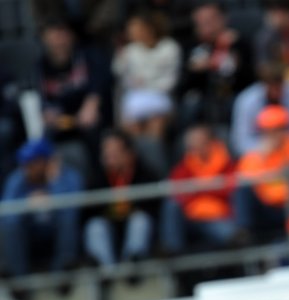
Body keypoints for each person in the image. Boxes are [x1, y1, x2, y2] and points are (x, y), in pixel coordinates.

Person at [234, 106, 289, 239]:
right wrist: (261, 158)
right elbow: (247, 182)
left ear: (286, 129)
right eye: (266, 131)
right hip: (268, 209)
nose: (272, 135)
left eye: (277, 130)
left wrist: (281, 186)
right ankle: (244, 234)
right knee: (242, 189)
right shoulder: (255, 157)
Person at [38, 19, 111, 175]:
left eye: (63, 33)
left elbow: (101, 81)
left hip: (86, 118)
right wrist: (46, 112)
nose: (60, 39)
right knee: (38, 139)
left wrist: (92, 103)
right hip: (58, 122)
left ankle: (97, 184)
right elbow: (36, 97)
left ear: (71, 36)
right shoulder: (40, 66)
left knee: (94, 129)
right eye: (55, 34)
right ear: (45, 38)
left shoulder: (88, 56)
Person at [1, 139, 82, 278]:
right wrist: (26, 205)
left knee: (67, 221)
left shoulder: (69, 177)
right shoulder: (17, 179)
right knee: (11, 226)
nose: (27, 167)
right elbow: (6, 216)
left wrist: (55, 185)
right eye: (25, 163)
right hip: (31, 235)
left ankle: (61, 275)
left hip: (57, 234)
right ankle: (20, 281)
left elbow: (72, 211)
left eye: (32, 162)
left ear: (46, 161)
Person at [85, 130, 161, 271]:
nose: (108, 157)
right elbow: (89, 211)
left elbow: (153, 207)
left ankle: (131, 271)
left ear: (128, 154)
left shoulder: (144, 174)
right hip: (111, 226)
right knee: (95, 227)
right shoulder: (98, 178)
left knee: (140, 221)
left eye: (114, 153)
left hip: (135, 226)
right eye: (106, 153)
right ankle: (107, 275)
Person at [178, 1, 254, 127]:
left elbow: (249, 78)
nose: (207, 26)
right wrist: (198, 69)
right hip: (203, 97)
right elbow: (184, 85)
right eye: (201, 22)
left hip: (234, 94)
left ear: (223, 19)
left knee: (240, 103)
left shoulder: (239, 43)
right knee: (192, 106)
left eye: (211, 20)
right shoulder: (191, 47)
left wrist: (229, 53)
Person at [162, 124, 236, 253]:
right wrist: (209, 188)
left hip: (219, 215)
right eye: (192, 143)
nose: (195, 146)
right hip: (191, 218)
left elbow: (230, 190)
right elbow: (177, 193)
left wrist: (197, 189)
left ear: (210, 141)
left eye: (199, 141)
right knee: (171, 206)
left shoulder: (226, 163)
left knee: (229, 233)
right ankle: (172, 254)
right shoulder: (184, 167)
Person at [112, 12, 181, 140]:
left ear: (148, 28)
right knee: (132, 128)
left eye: (136, 28)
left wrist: (146, 83)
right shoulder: (130, 50)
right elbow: (120, 74)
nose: (131, 32)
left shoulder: (169, 47)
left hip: (161, 96)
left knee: (155, 126)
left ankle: (154, 156)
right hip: (136, 98)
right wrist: (120, 56)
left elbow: (171, 79)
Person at [231, 62, 289, 155]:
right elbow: (241, 141)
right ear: (263, 84)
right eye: (271, 86)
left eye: (279, 86)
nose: (275, 92)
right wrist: (263, 147)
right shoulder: (247, 101)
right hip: (261, 155)